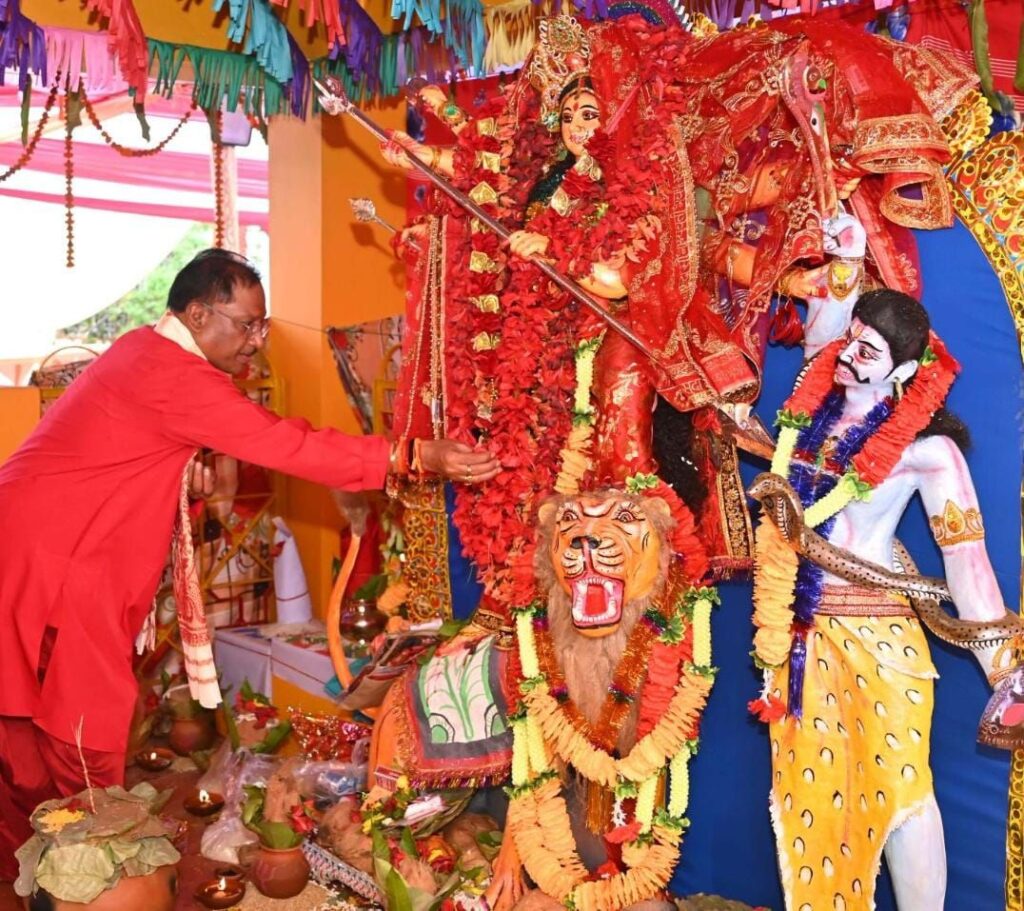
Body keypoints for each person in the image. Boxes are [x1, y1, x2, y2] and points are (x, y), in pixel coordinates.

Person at [0, 248, 499, 881]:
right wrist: (413, 454)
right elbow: (284, 443)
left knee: (24, 726)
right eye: (247, 324)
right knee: (82, 724)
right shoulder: (172, 372)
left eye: (262, 325)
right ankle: (90, 867)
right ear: (198, 315)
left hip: (32, 543)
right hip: (58, 561)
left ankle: (33, 861)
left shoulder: (140, 351)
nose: (257, 341)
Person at [749, 287, 1017, 910]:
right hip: (803, 635)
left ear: (903, 371)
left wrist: (1005, 671)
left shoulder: (928, 452)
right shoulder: (805, 425)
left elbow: (967, 561)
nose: (848, 355)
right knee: (808, 797)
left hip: (881, 638)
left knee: (902, 792)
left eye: (868, 351)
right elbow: (830, 295)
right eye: (851, 339)